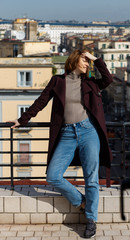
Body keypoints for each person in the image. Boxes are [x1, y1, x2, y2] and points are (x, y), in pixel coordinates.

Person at [8, 50, 113, 238]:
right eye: (84, 61)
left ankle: (91, 220)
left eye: (88, 62)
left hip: (88, 131)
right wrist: (22, 120)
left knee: (91, 178)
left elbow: (108, 79)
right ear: (74, 60)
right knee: (53, 175)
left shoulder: (90, 82)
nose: (87, 65)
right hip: (66, 134)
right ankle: (81, 202)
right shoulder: (57, 81)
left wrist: (96, 59)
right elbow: (40, 102)